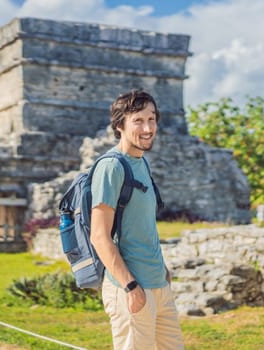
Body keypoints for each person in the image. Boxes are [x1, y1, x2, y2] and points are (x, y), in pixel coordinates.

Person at [90, 90, 184, 349]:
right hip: (131, 289)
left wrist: (162, 270)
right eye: (138, 120)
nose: (148, 128)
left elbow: (142, 225)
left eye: (152, 119)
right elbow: (99, 235)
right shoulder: (111, 167)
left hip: (158, 285)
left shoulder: (142, 163)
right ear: (119, 125)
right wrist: (131, 286)